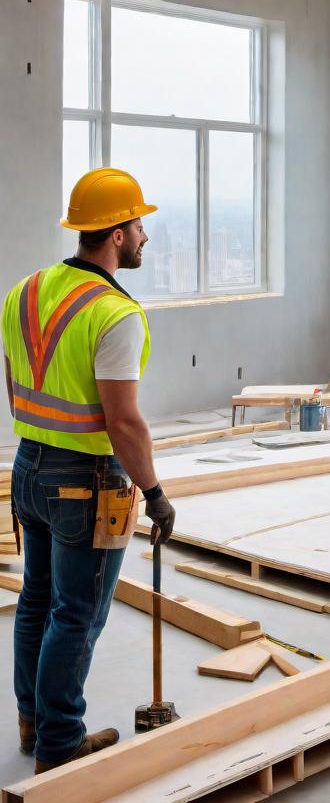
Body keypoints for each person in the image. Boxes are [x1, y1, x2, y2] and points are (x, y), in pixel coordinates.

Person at [2, 168, 176, 773]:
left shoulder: (25, 290)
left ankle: (33, 720)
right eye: (138, 224)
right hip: (85, 480)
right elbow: (123, 422)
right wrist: (153, 492)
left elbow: (14, 383)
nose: (145, 235)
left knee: (38, 600)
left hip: (26, 467)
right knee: (78, 612)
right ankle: (60, 742)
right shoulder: (114, 313)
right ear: (116, 234)